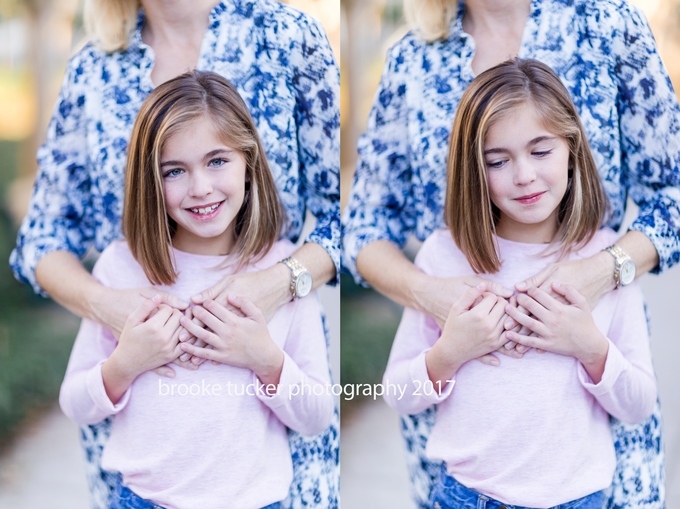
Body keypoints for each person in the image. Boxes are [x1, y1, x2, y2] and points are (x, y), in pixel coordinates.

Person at [342, 0, 679, 506]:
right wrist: (435, 302)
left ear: (569, 148)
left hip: (586, 475)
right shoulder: (414, 58)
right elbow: (362, 224)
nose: (523, 175)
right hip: (467, 480)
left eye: (541, 152)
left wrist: (599, 278)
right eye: (497, 161)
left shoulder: (606, 24)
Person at [11, 1, 339, 508]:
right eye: (173, 171)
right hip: (141, 489)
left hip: (263, 488)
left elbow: (355, 215)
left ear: (248, 162)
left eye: (216, 161)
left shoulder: (286, 34)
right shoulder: (95, 65)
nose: (200, 187)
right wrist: (114, 321)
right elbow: (43, 237)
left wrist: (277, 289)